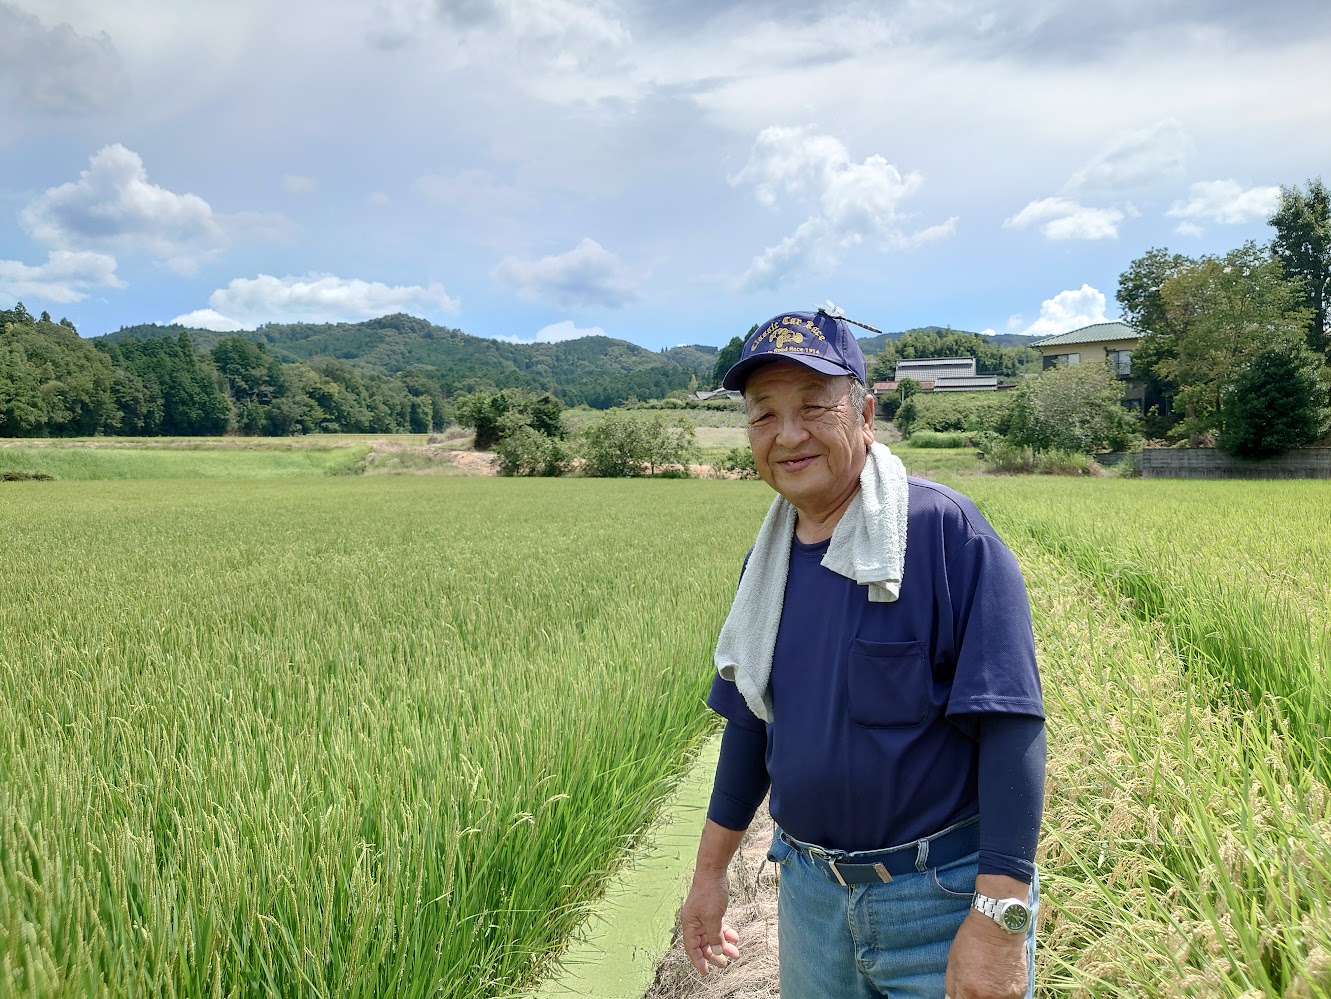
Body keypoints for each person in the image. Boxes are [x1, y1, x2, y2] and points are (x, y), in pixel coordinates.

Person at [678, 307, 1046, 999]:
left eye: (813, 406)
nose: (788, 435)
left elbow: (1009, 725)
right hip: (811, 900)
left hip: (937, 901)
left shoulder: (942, 533)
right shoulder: (769, 562)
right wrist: (708, 875)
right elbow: (751, 723)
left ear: (864, 412)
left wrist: (998, 923)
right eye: (764, 415)